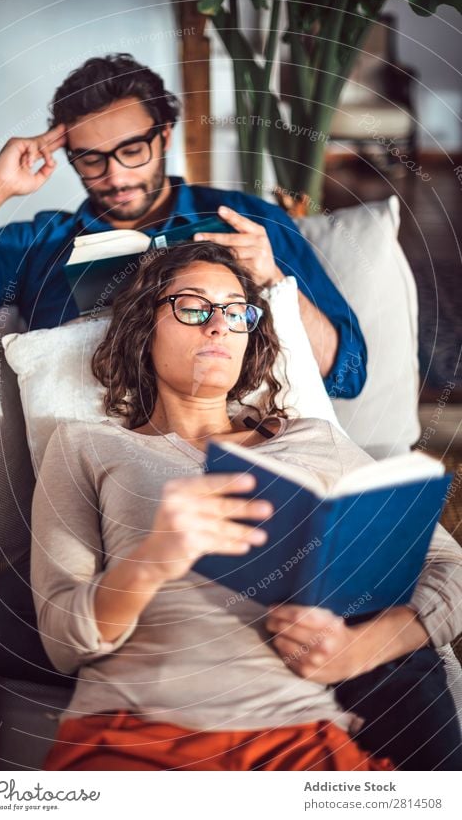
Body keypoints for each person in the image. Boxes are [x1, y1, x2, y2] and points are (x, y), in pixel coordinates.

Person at [32, 242, 462, 771]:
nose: (219, 326)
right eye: (193, 306)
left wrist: (361, 649)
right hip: (133, 730)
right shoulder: (85, 445)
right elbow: (61, 640)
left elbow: (449, 565)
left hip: (301, 736)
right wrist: (153, 560)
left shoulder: (313, 439)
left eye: (237, 312)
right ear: (145, 328)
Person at [0, 53, 365, 399]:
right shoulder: (35, 244)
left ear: (164, 135)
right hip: (99, 452)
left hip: (242, 438)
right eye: (92, 159)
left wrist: (274, 282)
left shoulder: (249, 221)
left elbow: (348, 372)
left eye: (132, 149)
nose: (117, 176)